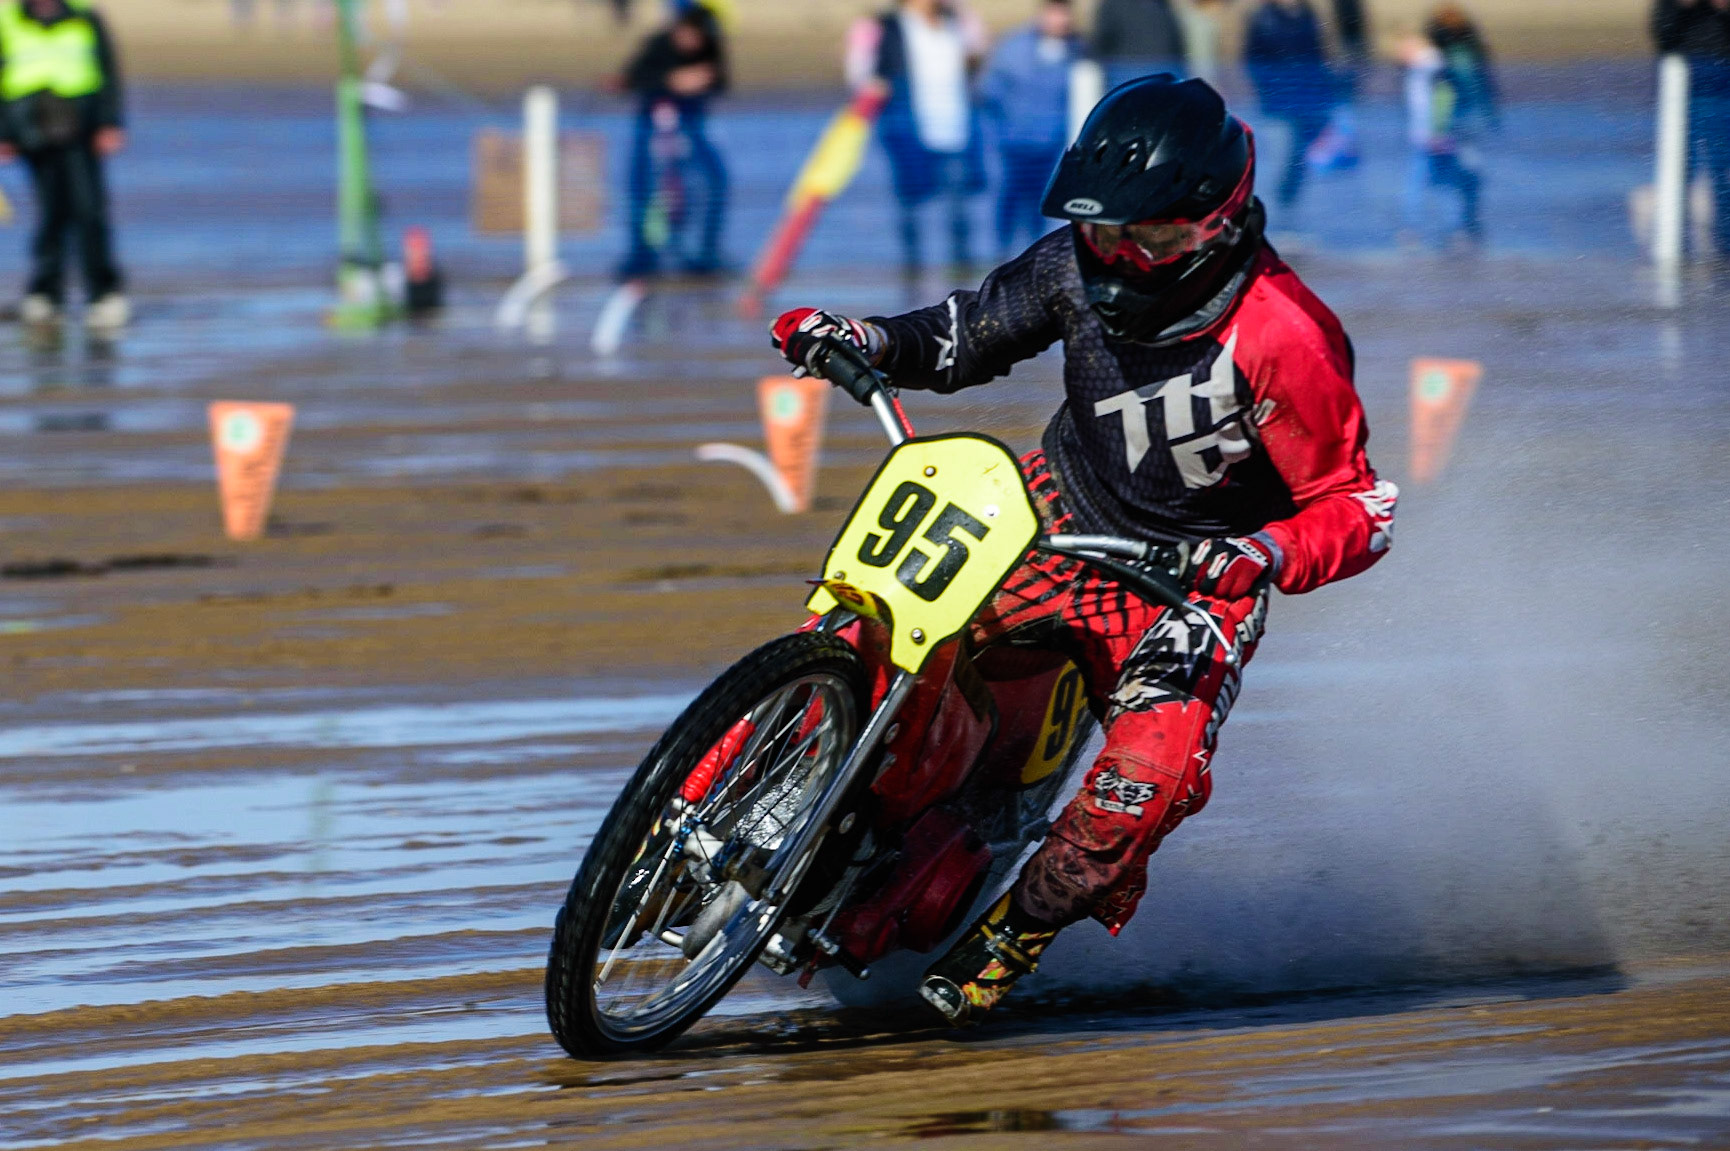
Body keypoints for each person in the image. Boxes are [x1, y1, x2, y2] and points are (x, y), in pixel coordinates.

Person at [770, 75, 1397, 1025]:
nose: (1120, 259)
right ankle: (777, 772)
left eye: (1151, 238)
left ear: (1216, 225)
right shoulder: (1073, 263)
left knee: (1142, 787)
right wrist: (859, 336)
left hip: (1191, 581)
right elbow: (961, 337)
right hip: (1049, 505)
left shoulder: (1286, 333)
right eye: (1106, 233)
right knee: (879, 617)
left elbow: (1358, 506)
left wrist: (1263, 554)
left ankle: (1013, 935)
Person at [0, 0, 126, 329]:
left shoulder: (84, 15)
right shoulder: (9, 18)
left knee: (89, 210)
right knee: (51, 212)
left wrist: (110, 122)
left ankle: (104, 294)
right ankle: (45, 294)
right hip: (31, 129)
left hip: (81, 127)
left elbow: (107, 69)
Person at [847, 0, 988, 273]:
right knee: (910, 203)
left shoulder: (956, 21)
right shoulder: (883, 25)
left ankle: (961, 271)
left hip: (956, 129)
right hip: (907, 130)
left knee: (958, 205)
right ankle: (913, 269)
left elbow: (979, 53)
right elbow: (860, 73)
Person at [614, 1, 729, 278]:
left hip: (692, 131)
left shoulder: (709, 48)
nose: (691, 41)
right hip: (652, 131)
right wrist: (672, 81)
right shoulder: (659, 45)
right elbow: (630, 78)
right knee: (645, 191)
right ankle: (643, 255)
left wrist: (704, 80)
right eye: (688, 34)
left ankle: (703, 254)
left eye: (697, 37)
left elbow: (721, 80)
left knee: (711, 185)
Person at [980, 0, 1080, 259]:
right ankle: (999, 264)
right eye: (1055, 11)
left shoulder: (1079, 50)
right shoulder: (1013, 47)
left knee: (1040, 212)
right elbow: (989, 92)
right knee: (1006, 209)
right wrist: (999, 136)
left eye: (1065, 11)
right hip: (1012, 146)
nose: (1061, 18)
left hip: (1052, 148)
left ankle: (1032, 264)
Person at [1653, 0, 1730, 256]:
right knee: (1678, 167)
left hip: (1723, 82)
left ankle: (1725, 247)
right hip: (1683, 85)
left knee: (1723, 169)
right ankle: (1674, 246)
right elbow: (1662, 37)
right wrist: (1681, 6)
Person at [1243, 0, 1335, 211]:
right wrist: (1268, 88)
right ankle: (1272, 216)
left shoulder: (1308, 16)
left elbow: (1319, 55)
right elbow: (1252, 58)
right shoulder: (1262, 18)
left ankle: (1290, 214)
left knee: (1298, 163)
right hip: (1277, 104)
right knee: (1280, 161)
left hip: (1307, 101)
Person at [1090, 0, 1187, 88]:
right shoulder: (1114, 5)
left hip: (1157, 80)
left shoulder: (1163, 6)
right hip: (1127, 80)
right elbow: (1102, 40)